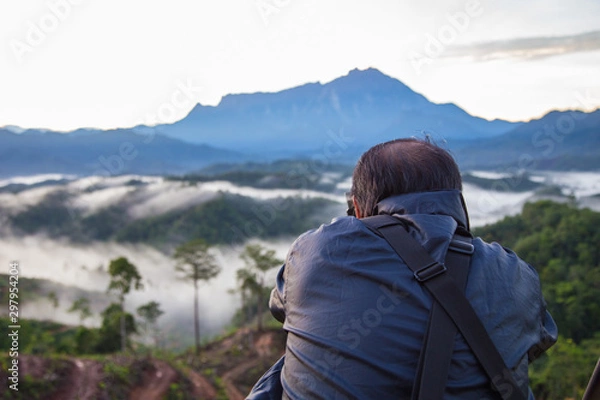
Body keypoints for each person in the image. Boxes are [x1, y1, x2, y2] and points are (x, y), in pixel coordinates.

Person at [248, 138, 557, 399]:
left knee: (287, 367)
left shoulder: (315, 251)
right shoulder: (516, 274)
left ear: (357, 208)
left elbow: (281, 307)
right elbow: (538, 341)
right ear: (458, 204)